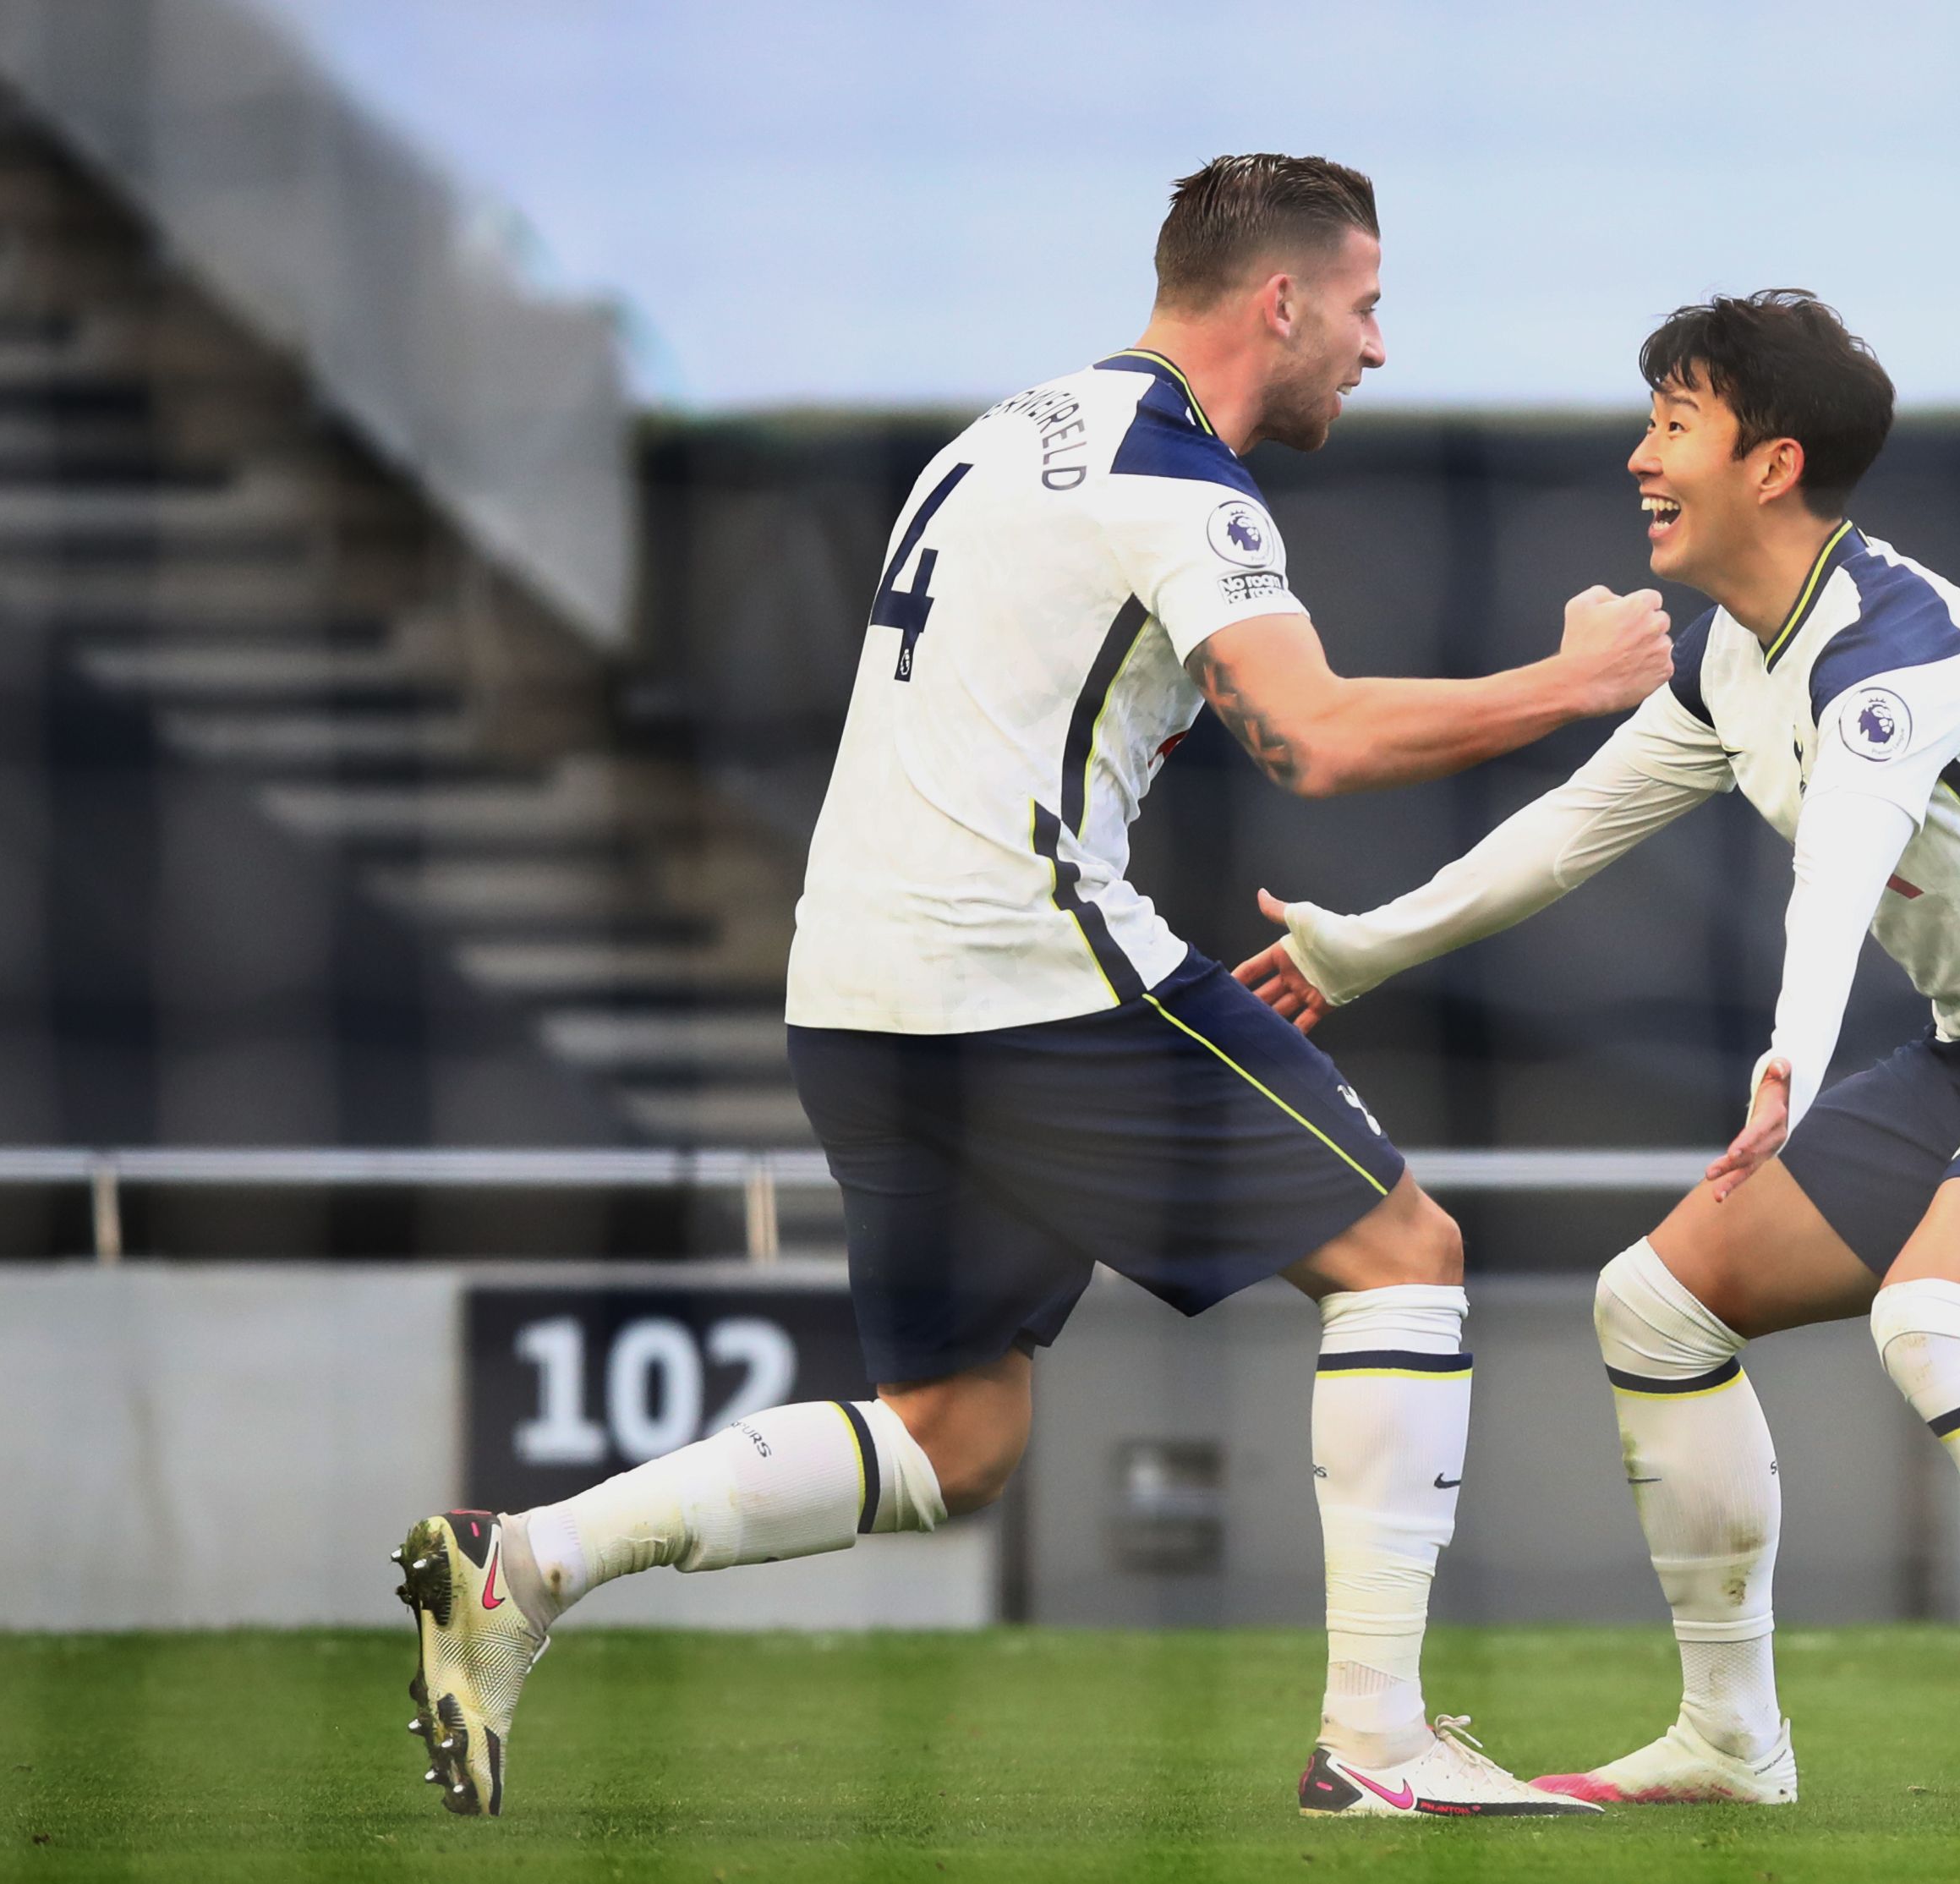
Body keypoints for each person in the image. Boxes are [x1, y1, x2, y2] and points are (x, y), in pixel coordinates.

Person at [394, 153, 1672, 1821]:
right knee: (1403, 1251)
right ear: (1277, 298)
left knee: (957, 1429)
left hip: (855, 985)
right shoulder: (1178, 481)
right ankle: (1377, 1740)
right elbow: (1317, 735)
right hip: (1016, 962)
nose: (1376, 347)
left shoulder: (1010, 428)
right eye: (1363, 305)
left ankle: (531, 1563)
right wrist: (1571, 683)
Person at [1234, 289, 1960, 1821]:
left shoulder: (1891, 653)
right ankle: (1729, 1740)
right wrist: (1358, 947)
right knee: (1651, 1308)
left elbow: (1838, 873)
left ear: (1769, 465)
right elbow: (1575, 831)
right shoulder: (1733, 652)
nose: (1640, 455)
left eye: (1672, 423)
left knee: (1939, 1321)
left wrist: (1787, 1061)